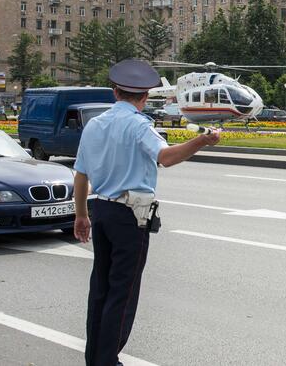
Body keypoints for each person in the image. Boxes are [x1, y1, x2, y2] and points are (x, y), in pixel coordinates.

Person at [73, 59, 221, 366]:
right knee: (122, 294)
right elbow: (165, 157)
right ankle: (107, 361)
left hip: (99, 211)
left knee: (100, 289)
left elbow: (81, 175)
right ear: (143, 97)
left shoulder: (94, 126)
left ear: (115, 92)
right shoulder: (139, 125)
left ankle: (94, 358)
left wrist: (81, 215)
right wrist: (202, 140)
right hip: (129, 217)